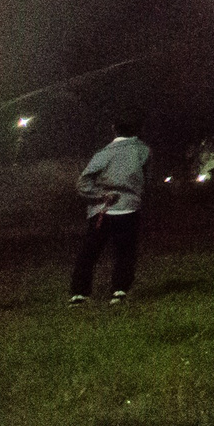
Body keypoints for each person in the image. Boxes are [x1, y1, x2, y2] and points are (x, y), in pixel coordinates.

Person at [69, 115, 150, 305]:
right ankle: (120, 290)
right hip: (129, 208)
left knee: (89, 253)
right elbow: (146, 178)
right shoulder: (143, 151)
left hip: (102, 210)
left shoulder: (104, 153)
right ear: (138, 130)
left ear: (114, 129)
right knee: (125, 252)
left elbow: (83, 182)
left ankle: (79, 294)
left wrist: (100, 195)